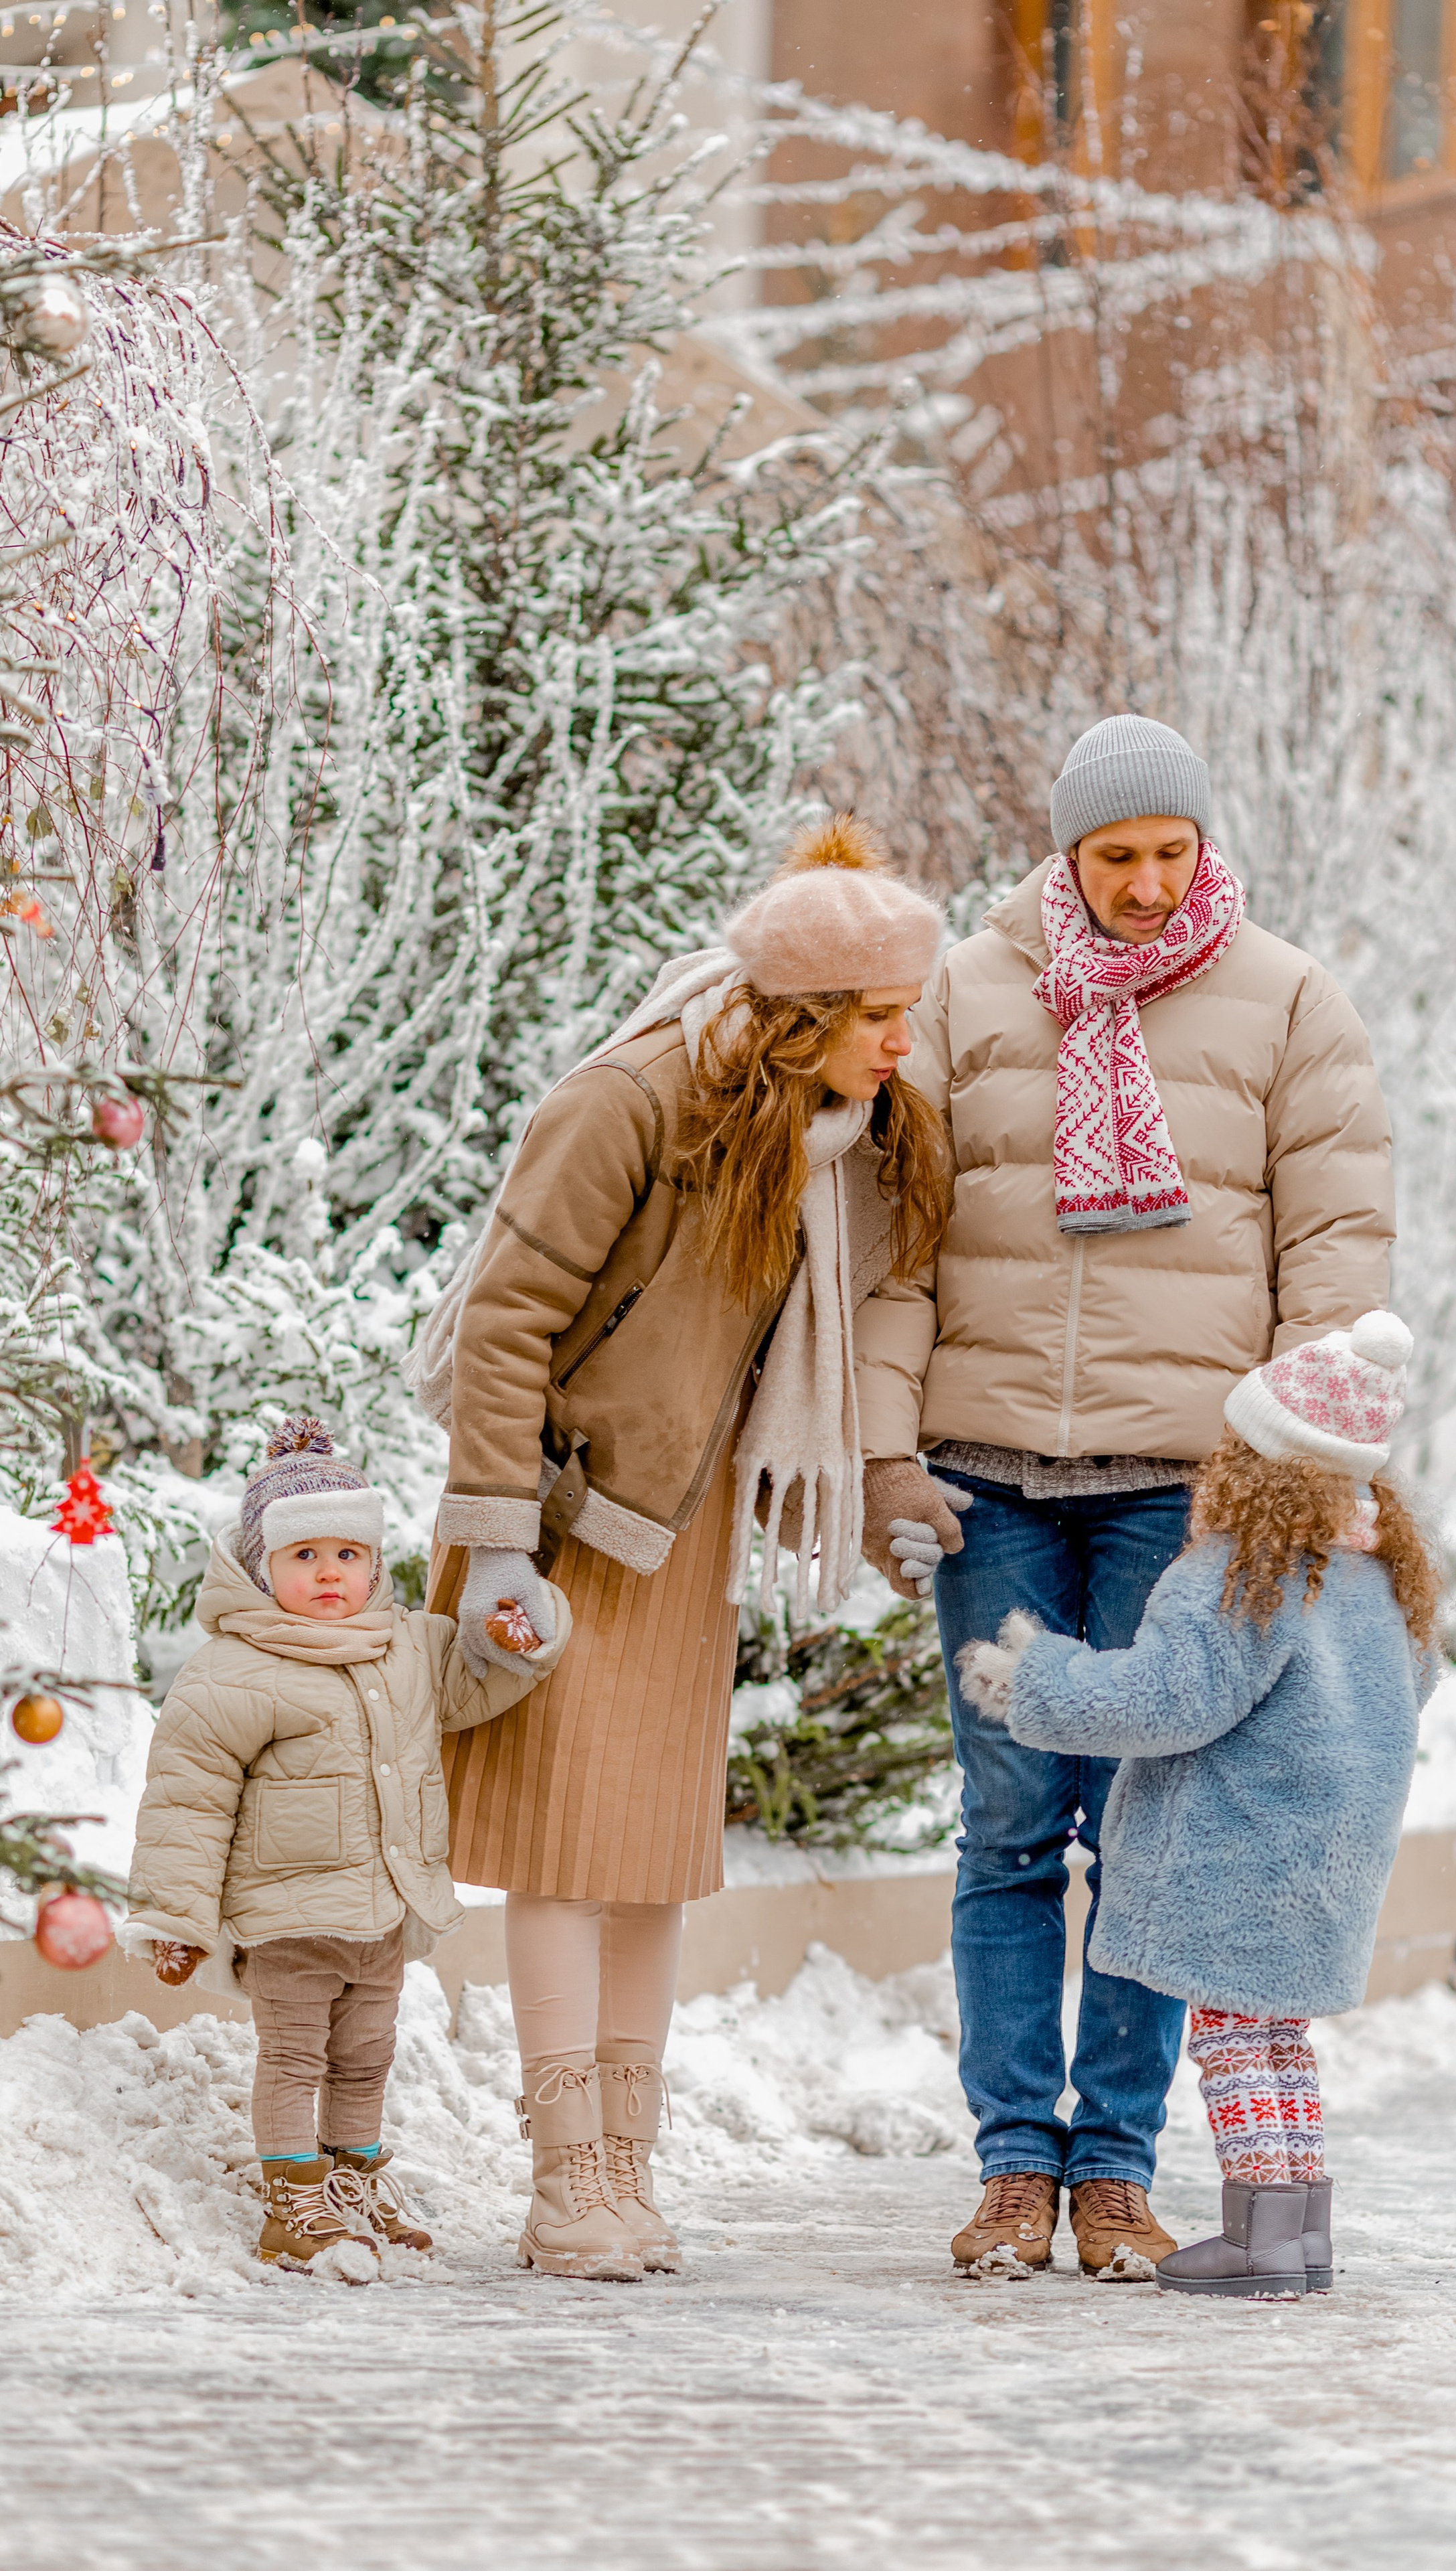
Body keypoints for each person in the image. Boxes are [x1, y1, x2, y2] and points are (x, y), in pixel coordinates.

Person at [854, 713, 1394, 2280]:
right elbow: (904, 1246)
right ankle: (1013, 2164)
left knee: (1160, 1837)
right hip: (990, 1473)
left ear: (1200, 844)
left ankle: (1115, 2168)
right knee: (1014, 1825)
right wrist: (889, 1447)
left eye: (1169, 851)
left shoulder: (1287, 1000)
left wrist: (1303, 1470)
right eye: (1116, 856)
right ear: (1066, 853)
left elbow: (1335, 1259)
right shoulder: (967, 990)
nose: (1147, 884)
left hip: (1189, 1487)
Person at [418, 817, 946, 2281]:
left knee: (647, 1862)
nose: (906, 1041)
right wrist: (500, 1542)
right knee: (562, 1861)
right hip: (570, 1525)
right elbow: (504, 1321)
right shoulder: (631, 1098)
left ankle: (625, 2168)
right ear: (801, 1018)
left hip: (686, 1530)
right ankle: (562, 2180)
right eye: (881, 1015)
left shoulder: (828, 1138)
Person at [957, 1311, 1440, 2297]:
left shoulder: (1243, 1573)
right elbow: (1408, 1691)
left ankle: (1256, 2240)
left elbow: (1168, 1697)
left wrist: (1036, 1678)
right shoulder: (1376, 1575)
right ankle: (1300, 2232)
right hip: (1324, 1857)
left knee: (1231, 2044)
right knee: (1278, 2042)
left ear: (1257, 1462)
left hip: (1234, 1853)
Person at [124, 1417, 568, 2277]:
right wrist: (176, 1917)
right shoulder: (233, 1672)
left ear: (374, 1562)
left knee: (367, 2055)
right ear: (262, 1568)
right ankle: (292, 2202)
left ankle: (351, 2179)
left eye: (348, 1555)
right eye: (303, 1557)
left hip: (384, 1909)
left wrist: (518, 1643)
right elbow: (187, 1802)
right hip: (287, 1913)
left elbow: (475, 1681)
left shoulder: (408, 1647)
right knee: (293, 2056)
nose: (330, 1573)